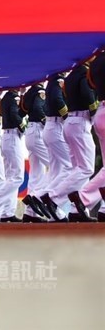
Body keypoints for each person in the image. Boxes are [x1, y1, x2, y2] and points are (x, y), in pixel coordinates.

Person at [63, 58, 98, 222]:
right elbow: (87, 94)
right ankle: (50, 195)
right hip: (80, 121)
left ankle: (76, 210)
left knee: (77, 168)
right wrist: (94, 112)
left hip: (70, 120)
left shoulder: (70, 76)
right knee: (86, 169)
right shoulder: (84, 72)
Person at [0, 90, 26, 222]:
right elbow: (15, 114)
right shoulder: (13, 97)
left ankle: (7, 212)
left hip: (7, 137)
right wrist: (23, 127)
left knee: (11, 177)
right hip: (13, 137)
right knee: (18, 177)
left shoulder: (6, 98)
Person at [40, 72, 74, 221]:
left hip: (51, 126)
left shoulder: (52, 81)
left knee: (56, 170)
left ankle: (55, 214)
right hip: (56, 126)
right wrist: (67, 116)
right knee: (71, 167)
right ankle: (46, 196)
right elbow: (57, 98)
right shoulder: (58, 80)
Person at [77, 49, 104, 220]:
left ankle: (103, 209)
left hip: (100, 111)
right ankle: (82, 197)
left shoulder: (94, 64)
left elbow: (91, 84)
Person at [20, 83, 51, 222]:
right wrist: (47, 122)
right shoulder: (39, 91)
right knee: (58, 167)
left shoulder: (29, 92)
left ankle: (30, 213)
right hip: (38, 130)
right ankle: (36, 197)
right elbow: (39, 108)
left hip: (30, 132)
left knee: (36, 174)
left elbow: (21, 112)